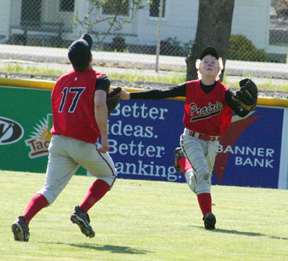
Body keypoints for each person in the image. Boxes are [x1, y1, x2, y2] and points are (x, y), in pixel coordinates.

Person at [119, 46, 257, 230]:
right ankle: (208, 215)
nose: (209, 64)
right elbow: (162, 94)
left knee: (199, 182)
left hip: (213, 143)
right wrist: (129, 96)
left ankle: (182, 162)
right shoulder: (191, 87)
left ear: (219, 69)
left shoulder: (224, 92)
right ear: (199, 68)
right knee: (204, 175)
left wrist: (251, 104)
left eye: (213, 62)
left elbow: (241, 110)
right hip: (191, 138)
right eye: (206, 62)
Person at [12, 34, 117, 242]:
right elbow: (97, 104)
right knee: (109, 175)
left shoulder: (61, 81)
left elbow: (74, 109)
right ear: (90, 58)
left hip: (59, 141)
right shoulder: (99, 78)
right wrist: (104, 135)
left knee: (49, 190)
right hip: (82, 142)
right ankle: (82, 211)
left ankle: (23, 220)